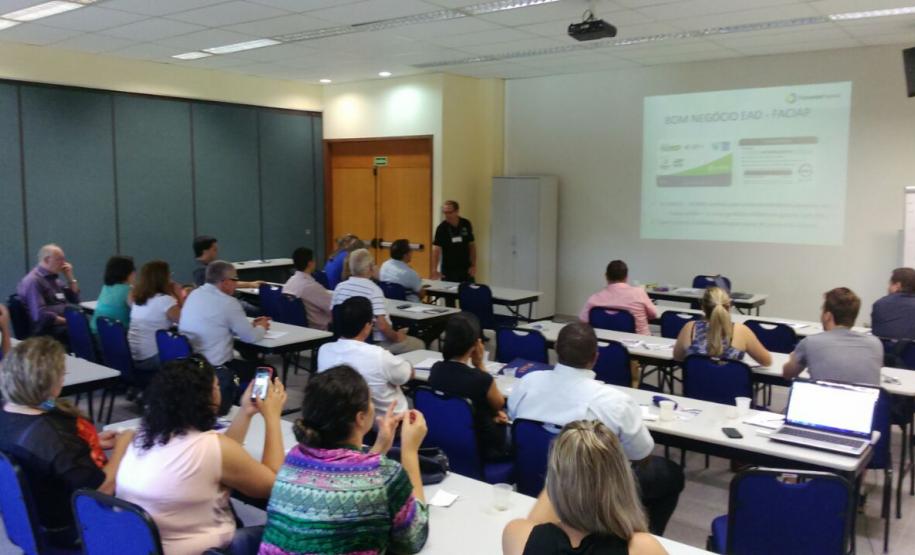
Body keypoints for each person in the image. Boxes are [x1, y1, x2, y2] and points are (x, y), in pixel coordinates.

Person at [508, 322, 684, 535]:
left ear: (556, 351)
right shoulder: (615, 402)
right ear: (595, 358)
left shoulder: (527, 383)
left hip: (534, 478)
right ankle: (639, 535)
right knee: (671, 473)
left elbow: (514, 420)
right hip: (594, 495)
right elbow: (642, 454)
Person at [117, 357, 287, 555]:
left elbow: (223, 456)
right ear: (207, 397)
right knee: (285, 534)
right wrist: (273, 417)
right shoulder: (209, 447)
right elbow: (272, 486)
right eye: (216, 385)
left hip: (141, 547)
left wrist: (245, 412)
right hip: (204, 551)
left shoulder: (143, 436)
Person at [258, 365, 429, 554]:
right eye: (370, 401)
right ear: (361, 418)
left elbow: (346, 477)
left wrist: (379, 448)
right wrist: (410, 451)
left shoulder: (295, 457)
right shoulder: (385, 474)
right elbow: (413, 539)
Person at [0, 337, 133, 548]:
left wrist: (89, 443)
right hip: (69, 529)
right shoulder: (55, 436)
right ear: (47, 382)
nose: (63, 379)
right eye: (61, 374)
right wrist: (123, 447)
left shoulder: (7, 412)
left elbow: (44, 457)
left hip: (32, 519)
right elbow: (101, 490)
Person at [502, 420, 667, 555]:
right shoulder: (642, 548)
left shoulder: (516, 534)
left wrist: (565, 478)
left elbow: (536, 528)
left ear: (553, 481)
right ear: (621, 481)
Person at [179, 261, 271, 413]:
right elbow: (250, 337)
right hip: (217, 368)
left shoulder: (194, 295)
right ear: (226, 282)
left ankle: (238, 400)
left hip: (193, 364)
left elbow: (215, 324)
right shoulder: (228, 303)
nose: (236, 284)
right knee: (266, 370)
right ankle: (256, 408)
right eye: (235, 280)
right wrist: (262, 327)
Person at [428, 312, 510, 460]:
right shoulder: (481, 379)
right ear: (475, 344)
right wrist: (479, 364)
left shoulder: (436, 369)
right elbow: (499, 404)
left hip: (445, 439)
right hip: (481, 447)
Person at [318, 296, 413, 416]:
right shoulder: (379, 355)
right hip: (387, 425)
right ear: (367, 326)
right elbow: (407, 375)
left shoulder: (324, 350)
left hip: (343, 420)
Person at [783, 287, 882, 385]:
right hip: (864, 401)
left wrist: (792, 359)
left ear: (828, 316)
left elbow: (787, 374)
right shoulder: (875, 344)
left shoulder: (810, 342)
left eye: (822, 310)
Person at [332, 248, 423, 354]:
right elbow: (382, 326)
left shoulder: (339, 288)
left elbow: (334, 316)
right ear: (370, 268)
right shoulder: (373, 290)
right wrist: (398, 337)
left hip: (344, 341)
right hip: (373, 343)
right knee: (419, 344)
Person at [673, 287, 772, 367]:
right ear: (728, 307)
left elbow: (677, 357)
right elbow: (767, 362)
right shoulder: (741, 331)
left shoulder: (690, 328)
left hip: (694, 391)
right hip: (733, 391)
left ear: (703, 308)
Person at [17, 243, 80, 342]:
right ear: (47, 260)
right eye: (60, 259)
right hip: (48, 332)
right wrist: (69, 321)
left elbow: (75, 299)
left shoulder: (54, 280)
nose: (64, 263)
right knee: (91, 339)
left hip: (62, 326)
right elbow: (40, 316)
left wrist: (70, 277)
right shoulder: (33, 281)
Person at [128, 260, 183, 373]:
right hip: (151, 358)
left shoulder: (138, 299)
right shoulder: (164, 301)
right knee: (189, 351)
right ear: (163, 278)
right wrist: (178, 295)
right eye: (169, 275)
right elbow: (186, 321)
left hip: (132, 356)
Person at [579, 260, 657, 336]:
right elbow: (653, 314)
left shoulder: (594, 299)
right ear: (626, 277)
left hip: (604, 343)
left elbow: (583, 322)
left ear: (606, 276)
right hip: (638, 344)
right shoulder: (639, 293)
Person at [282, 246, 332, 330]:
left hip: (297, 327)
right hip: (320, 329)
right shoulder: (311, 286)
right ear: (310, 263)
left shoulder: (289, 282)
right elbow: (332, 307)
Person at [191, 235, 262, 290]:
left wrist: (251, 284)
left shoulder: (202, 266)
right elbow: (224, 284)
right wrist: (250, 284)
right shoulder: (201, 271)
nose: (217, 253)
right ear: (205, 251)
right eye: (214, 250)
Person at [432, 200, 476, 282]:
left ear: (457, 211)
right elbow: (436, 250)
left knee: (467, 291)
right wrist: (434, 269)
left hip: (465, 267)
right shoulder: (442, 228)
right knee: (449, 292)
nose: (447, 215)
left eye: (449, 212)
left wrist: (473, 265)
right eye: (445, 212)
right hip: (448, 269)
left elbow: (472, 246)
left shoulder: (466, 224)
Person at [90, 255, 136, 334]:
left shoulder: (106, 287)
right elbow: (139, 311)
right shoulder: (129, 290)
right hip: (116, 336)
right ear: (127, 273)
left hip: (96, 332)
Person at [872, 267, 915, 341]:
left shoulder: (880, 304)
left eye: (890, 284)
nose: (888, 288)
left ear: (898, 285)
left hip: (884, 351)